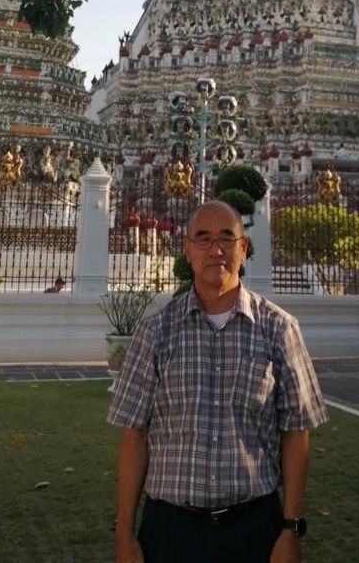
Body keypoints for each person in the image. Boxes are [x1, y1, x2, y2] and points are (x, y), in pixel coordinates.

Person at [107, 200, 327, 563]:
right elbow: (134, 436)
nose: (216, 249)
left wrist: (290, 529)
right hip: (170, 531)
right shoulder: (155, 332)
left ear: (243, 248)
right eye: (203, 238)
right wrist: (124, 534)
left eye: (227, 238)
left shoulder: (278, 329)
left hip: (253, 528)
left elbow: (296, 433)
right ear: (188, 250)